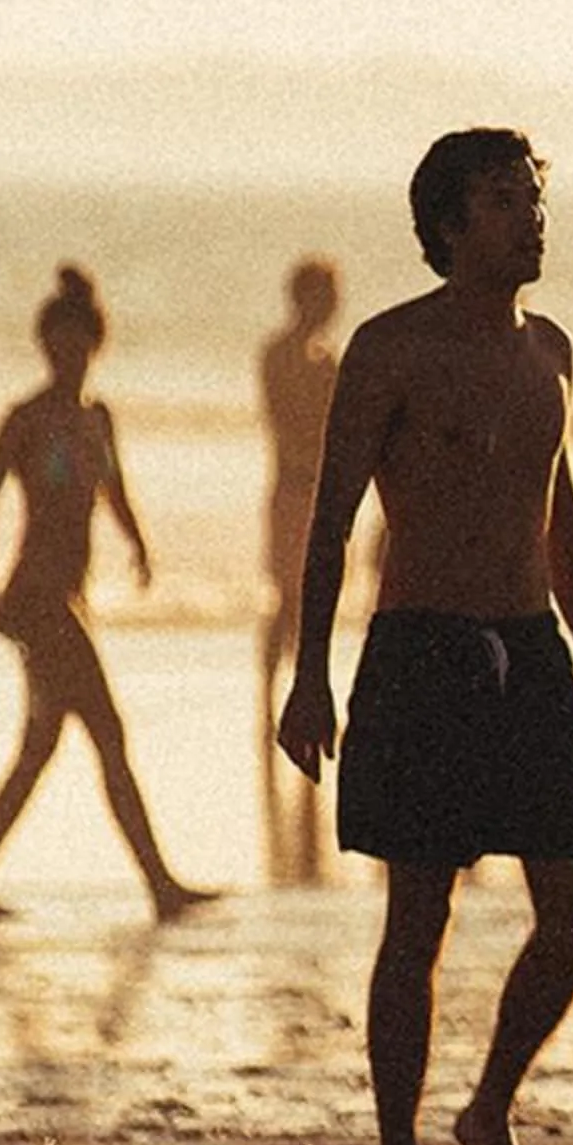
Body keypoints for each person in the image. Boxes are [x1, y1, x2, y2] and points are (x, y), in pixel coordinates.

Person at [275, 129, 573, 1145]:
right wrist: (308, 676)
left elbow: (555, 506)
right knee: (417, 918)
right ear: (450, 225)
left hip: (534, 650)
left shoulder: (553, 349)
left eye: (533, 196)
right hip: (421, 649)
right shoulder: (390, 349)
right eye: (506, 200)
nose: (531, 216)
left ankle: (488, 1105)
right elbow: (330, 522)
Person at [0, 266, 218, 924]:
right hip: (36, 601)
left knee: (39, 748)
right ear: (44, 346)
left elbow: (114, 489)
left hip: (70, 600)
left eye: (78, 343)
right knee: (107, 732)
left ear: (93, 346)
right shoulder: (27, 418)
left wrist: (138, 544)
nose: (68, 354)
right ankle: (160, 885)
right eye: (57, 343)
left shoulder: (96, 418)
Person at [258, 257, 343, 879]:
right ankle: (267, 697)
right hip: (293, 488)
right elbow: (291, 423)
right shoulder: (284, 356)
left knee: (308, 599)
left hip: (318, 490)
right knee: (287, 597)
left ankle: (291, 688)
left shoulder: (324, 358)